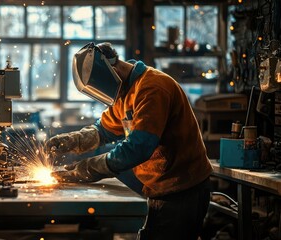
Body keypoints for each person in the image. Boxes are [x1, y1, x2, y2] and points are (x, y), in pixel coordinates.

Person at [45, 42, 213, 240]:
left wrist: (88, 168)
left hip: (183, 190)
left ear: (112, 70)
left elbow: (138, 147)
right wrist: (72, 140)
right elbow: (103, 130)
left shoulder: (152, 88)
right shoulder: (125, 91)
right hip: (161, 187)